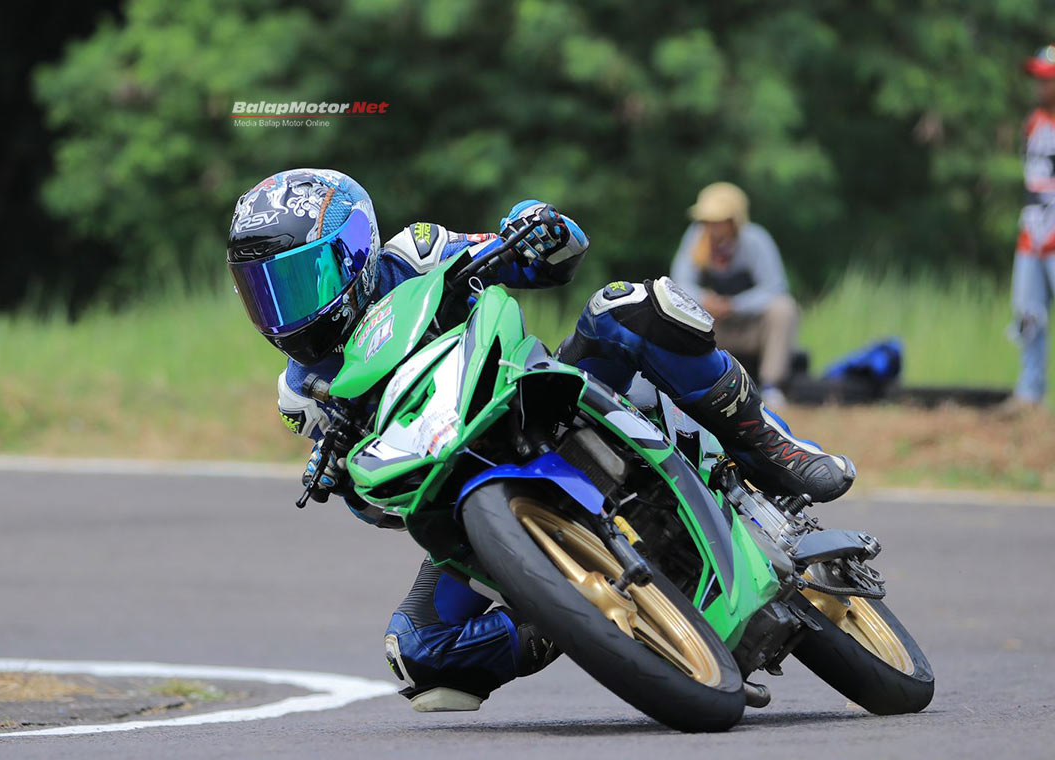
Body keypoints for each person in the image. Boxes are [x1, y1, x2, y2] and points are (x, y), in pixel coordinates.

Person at [227, 168, 856, 713]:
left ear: (352, 250)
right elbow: (377, 500)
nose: (283, 309)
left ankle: (774, 448)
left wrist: (538, 227)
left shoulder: (415, 252)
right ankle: (567, 614)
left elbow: (552, 257)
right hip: (457, 483)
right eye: (266, 292)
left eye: (299, 280)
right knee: (415, 652)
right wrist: (343, 481)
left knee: (630, 305)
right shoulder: (300, 395)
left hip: (531, 396)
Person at [669, 182, 798, 406]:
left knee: (784, 308)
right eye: (708, 220)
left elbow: (775, 287)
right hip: (712, 326)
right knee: (670, 310)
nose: (713, 227)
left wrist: (735, 305)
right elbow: (679, 283)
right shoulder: (696, 239)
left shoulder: (756, 240)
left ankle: (772, 386)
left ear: (735, 220)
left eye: (719, 221)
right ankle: (686, 380)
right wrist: (704, 300)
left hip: (749, 328)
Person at [1008, 44, 1055, 409]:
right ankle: (1029, 390)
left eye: (1047, 79)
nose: (1041, 86)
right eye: (1038, 78)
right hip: (1032, 233)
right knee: (1028, 312)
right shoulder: (1034, 123)